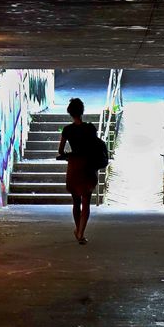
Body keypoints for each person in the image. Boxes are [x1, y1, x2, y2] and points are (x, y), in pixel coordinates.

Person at [57, 97, 98, 244]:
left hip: (74, 167)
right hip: (88, 166)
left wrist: (69, 155)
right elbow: (95, 147)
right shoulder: (90, 128)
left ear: (70, 113)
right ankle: (81, 233)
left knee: (76, 202)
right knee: (86, 201)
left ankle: (77, 229)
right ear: (82, 111)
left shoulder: (67, 130)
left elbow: (60, 150)